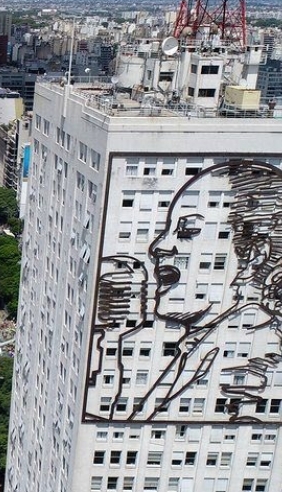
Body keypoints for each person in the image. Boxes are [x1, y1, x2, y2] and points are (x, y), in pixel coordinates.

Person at [88, 159, 282, 423]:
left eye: (186, 231)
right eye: (168, 230)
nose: (159, 246)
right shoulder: (193, 342)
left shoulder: (253, 365)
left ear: (253, 257)